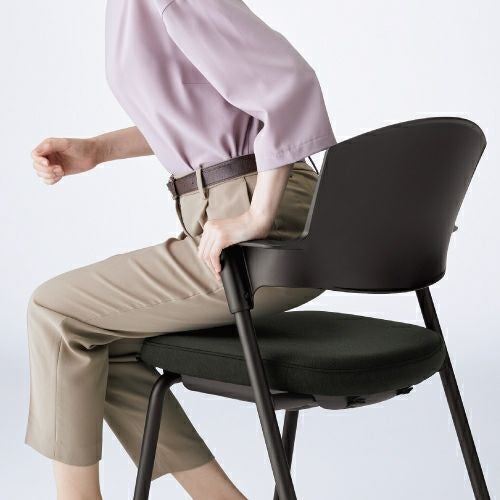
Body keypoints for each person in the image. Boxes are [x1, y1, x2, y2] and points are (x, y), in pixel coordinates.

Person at [26, 0, 337, 498]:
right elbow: (201, 113)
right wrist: (98, 150)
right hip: (227, 209)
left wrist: (258, 215)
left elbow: (289, 84)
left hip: (267, 220)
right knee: (104, 344)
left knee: (56, 313)